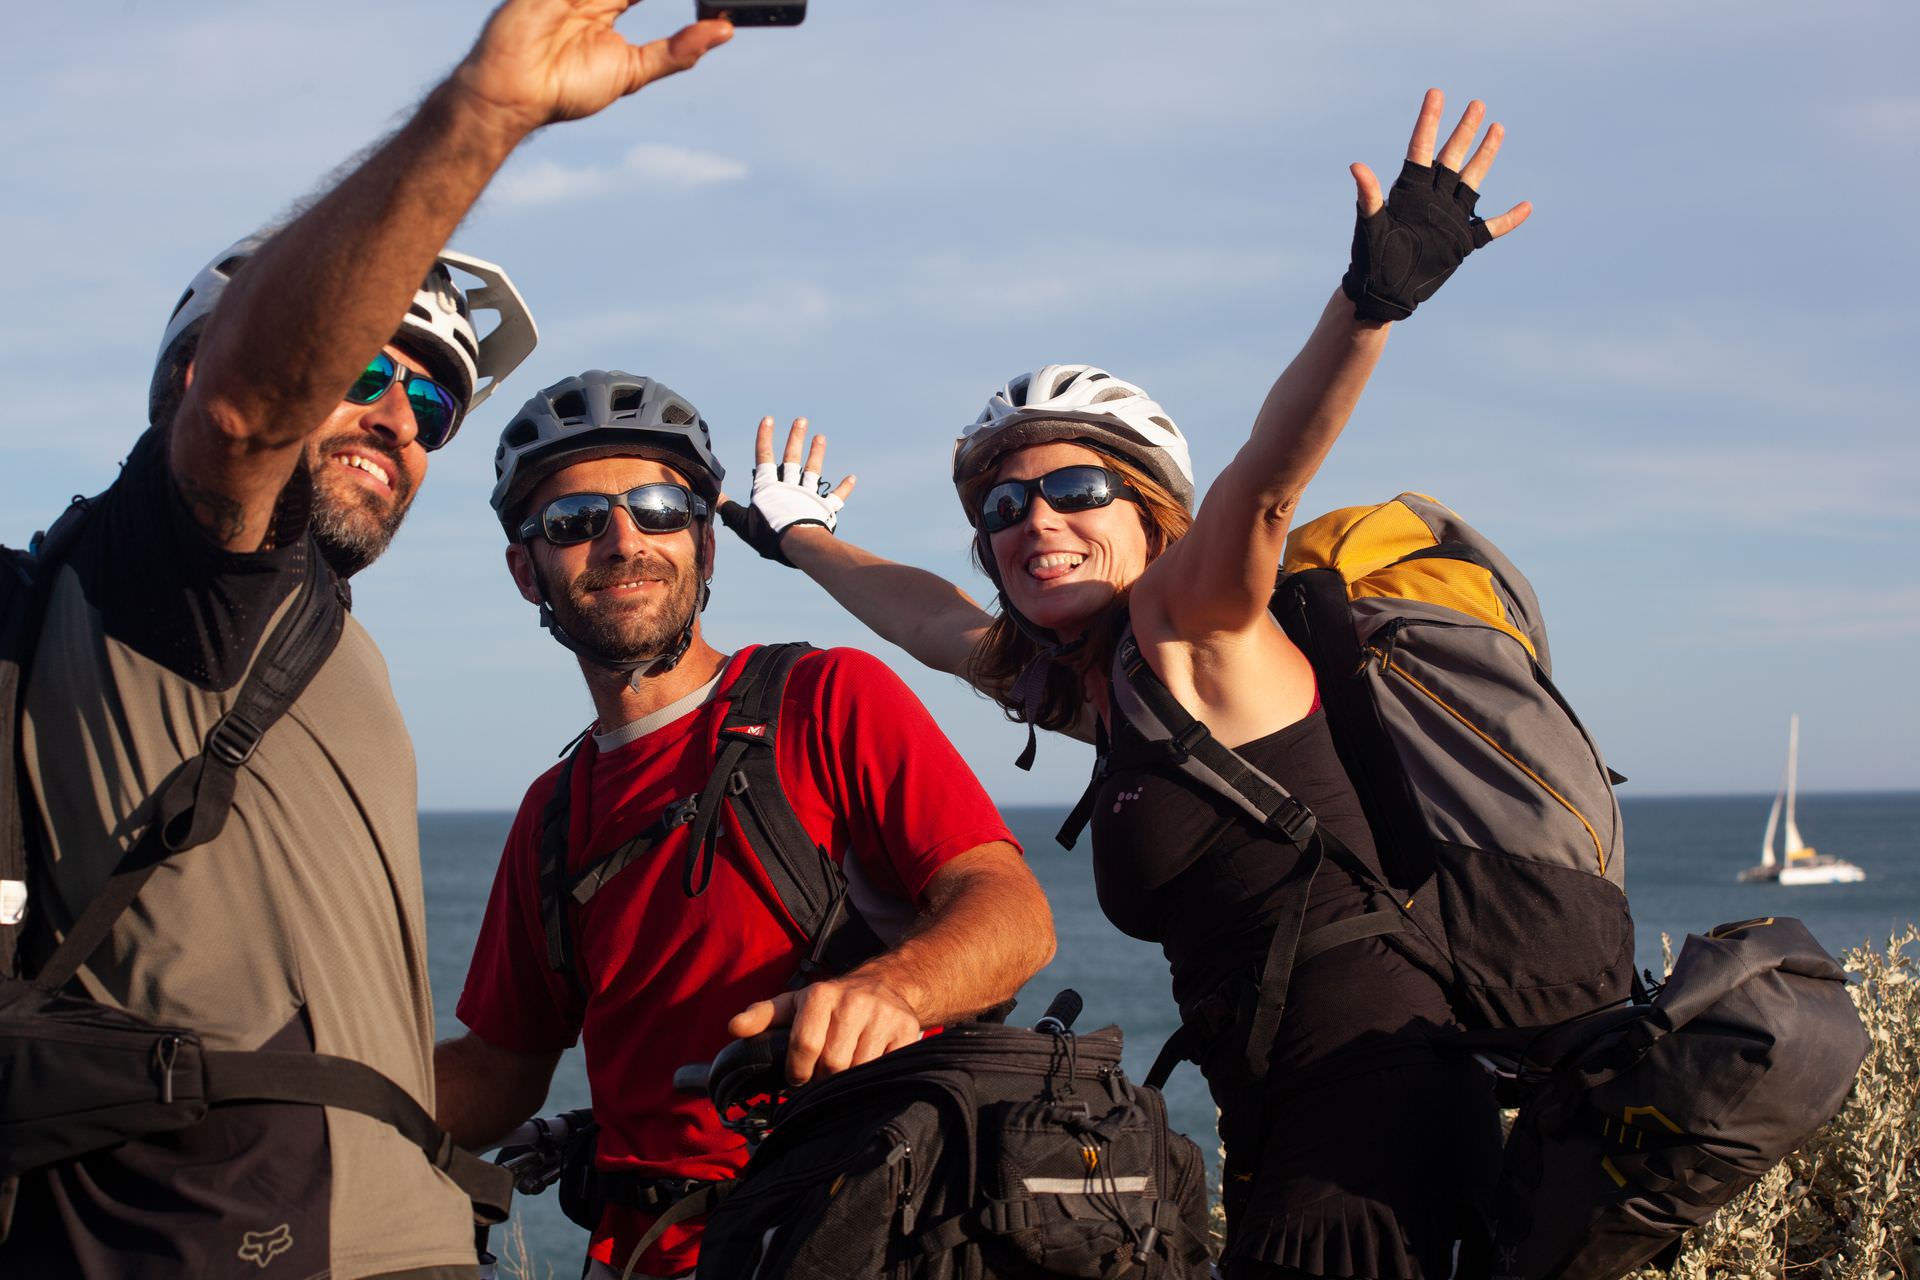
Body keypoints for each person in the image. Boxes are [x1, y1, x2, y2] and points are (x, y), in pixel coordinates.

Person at [720, 91, 1530, 1278]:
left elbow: (1263, 483)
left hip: (1376, 1125)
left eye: (1076, 492)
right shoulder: (1101, 689)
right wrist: (798, 538)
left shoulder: (1192, 625)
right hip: (1289, 1126)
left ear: (1151, 516)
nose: (1036, 521)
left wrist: (1370, 303)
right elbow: (935, 626)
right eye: (1004, 507)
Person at [4, 3, 735, 1276]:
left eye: (437, 400)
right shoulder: (174, 571)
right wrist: (484, 116)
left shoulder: (307, 632)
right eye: (367, 366)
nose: (404, 418)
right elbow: (243, 412)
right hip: (247, 1236)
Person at [435, 371, 1057, 1280]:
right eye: (574, 522)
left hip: (845, 1242)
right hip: (641, 1255)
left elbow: (1012, 915)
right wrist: (303, 1096)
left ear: (706, 547)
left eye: (657, 510)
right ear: (527, 568)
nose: (623, 541)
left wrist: (893, 990)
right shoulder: (552, 811)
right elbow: (499, 1070)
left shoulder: (824, 700)